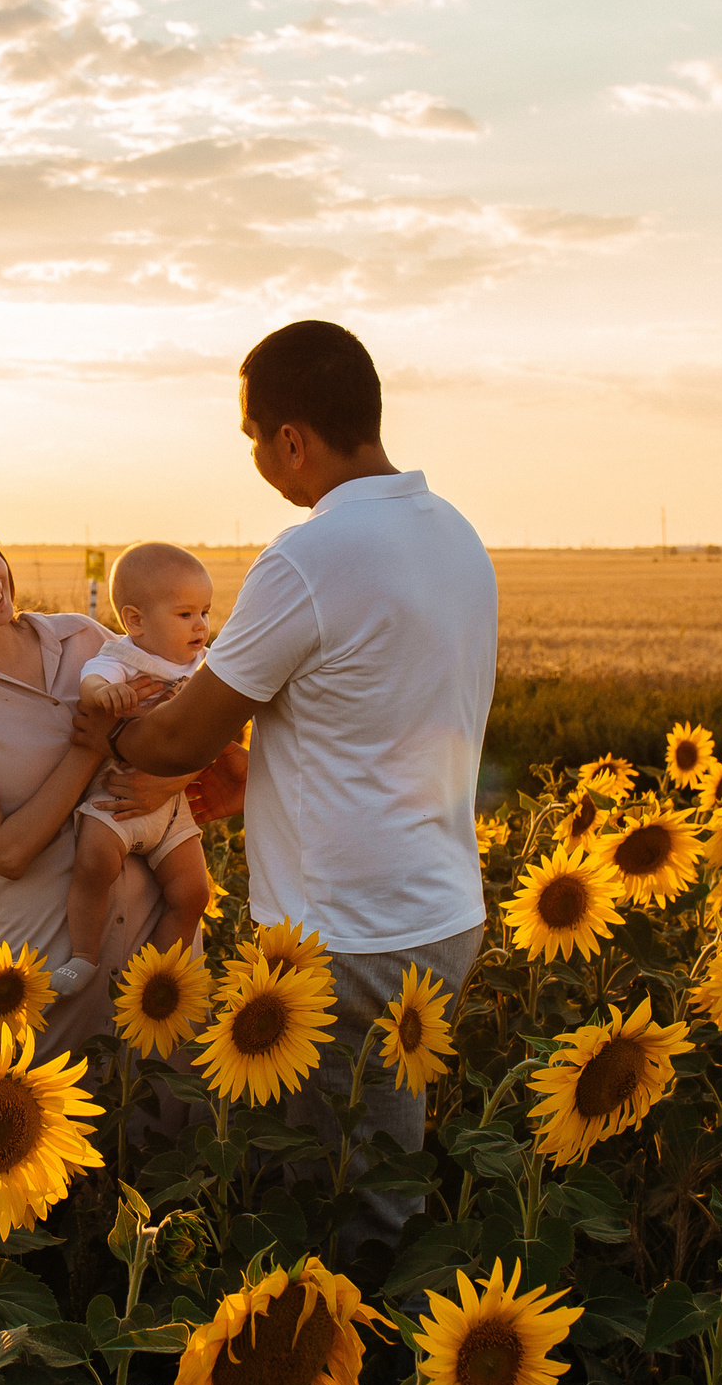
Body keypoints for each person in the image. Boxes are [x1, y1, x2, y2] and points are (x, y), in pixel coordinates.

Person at [110, 319, 497, 1251]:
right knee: (379, 1161)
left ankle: (351, 1379)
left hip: (348, 933)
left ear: (293, 439)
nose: (255, 457)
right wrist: (259, 778)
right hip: (441, 908)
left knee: (342, 1204)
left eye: (253, 438)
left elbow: (180, 734)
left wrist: (104, 716)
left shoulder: (309, 557)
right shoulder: (455, 535)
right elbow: (382, 710)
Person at [0, 509, 209, 1057]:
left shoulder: (86, 640)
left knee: (180, 1123)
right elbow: (8, 851)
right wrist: (89, 746)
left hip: (160, 953)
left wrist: (170, 782)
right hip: (48, 968)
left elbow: (186, 725)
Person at [46, 543, 216, 999]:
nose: (201, 626)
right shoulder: (124, 657)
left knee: (193, 892)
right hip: (117, 793)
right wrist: (105, 694)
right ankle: (84, 955)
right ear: (136, 620)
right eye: (185, 614)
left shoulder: (204, 669)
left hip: (172, 805)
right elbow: (93, 678)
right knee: (93, 865)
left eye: (205, 611)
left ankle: (158, 978)